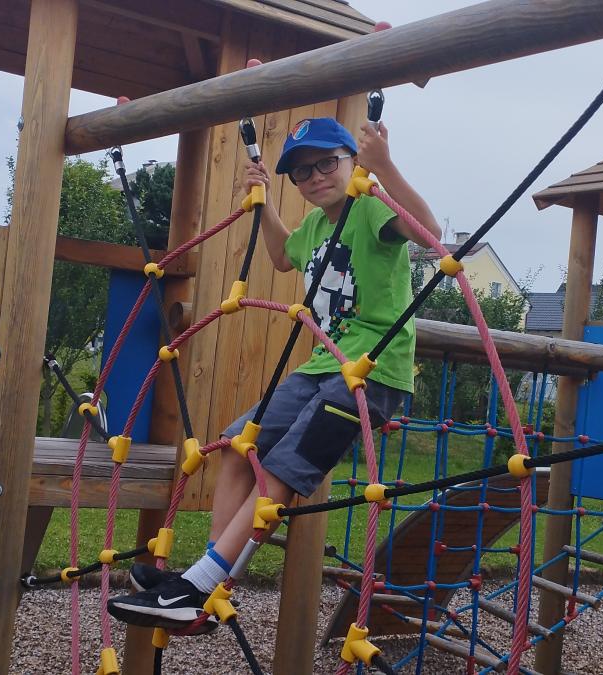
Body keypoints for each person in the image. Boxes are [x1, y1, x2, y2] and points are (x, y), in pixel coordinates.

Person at [108, 116, 443, 630]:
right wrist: (263, 202)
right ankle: (208, 580)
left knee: (284, 468)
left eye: (326, 162)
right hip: (321, 366)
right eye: (302, 171)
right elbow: (283, 257)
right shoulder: (314, 227)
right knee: (238, 444)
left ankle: (198, 585)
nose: (316, 177)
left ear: (352, 161)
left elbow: (430, 234)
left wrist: (385, 167)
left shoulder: (370, 206)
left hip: (369, 373)